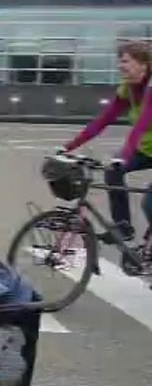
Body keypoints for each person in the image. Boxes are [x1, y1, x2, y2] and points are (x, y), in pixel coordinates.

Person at [64, 39, 152, 244]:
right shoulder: (128, 89)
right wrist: (67, 147)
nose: (120, 66)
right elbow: (103, 120)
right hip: (147, 150)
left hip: (141, 146)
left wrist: (124, 156)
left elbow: (141, 125)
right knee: (113, 172)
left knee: (150, 202)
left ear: (143, 64)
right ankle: (123, 227)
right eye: (119, 61)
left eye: (125, 61)